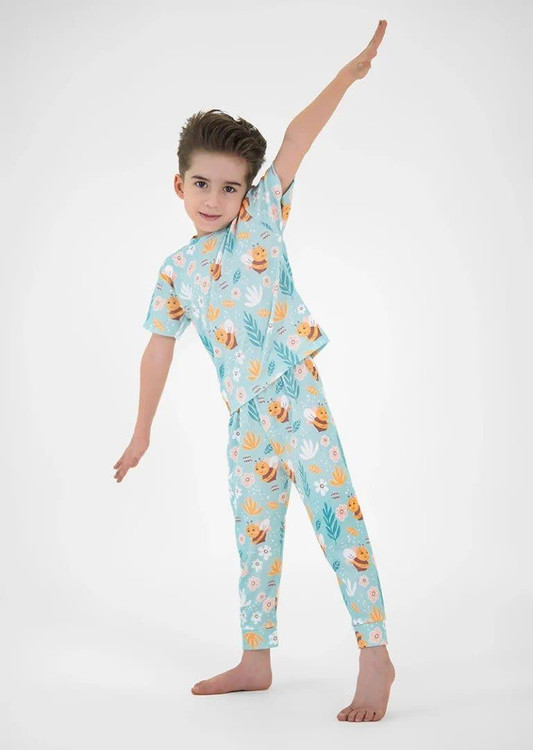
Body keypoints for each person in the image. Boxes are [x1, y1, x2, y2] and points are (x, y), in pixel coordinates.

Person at [114, 19, 395, 723]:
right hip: (243, 418)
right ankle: (255, 657)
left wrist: (346, 77)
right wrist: (141, 431)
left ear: (247, 193)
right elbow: (158, 347)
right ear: (179, 184)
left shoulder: (261, 221)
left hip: (297, 395)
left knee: (337, 519)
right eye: (201, 184)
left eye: (229, 187)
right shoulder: (176, 271)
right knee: (255, 536)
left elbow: (296, 139)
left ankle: (374, 653)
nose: (213, 198)